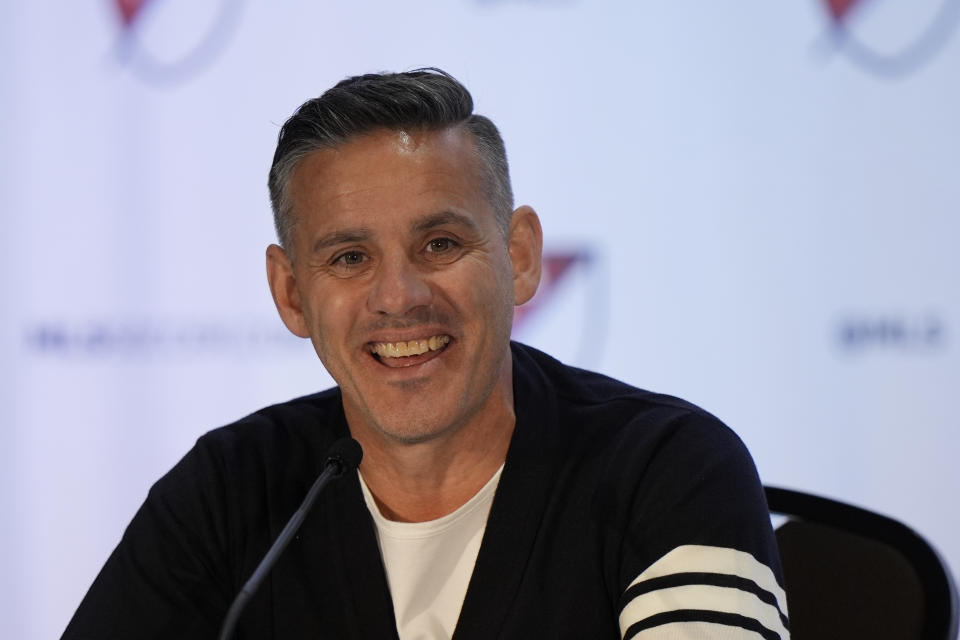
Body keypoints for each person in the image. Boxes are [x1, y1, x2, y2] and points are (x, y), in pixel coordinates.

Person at [62, 69, 789, 640]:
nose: (400, 296)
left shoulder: (670, 469)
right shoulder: (232, 490)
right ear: (290, 293)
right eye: (349, 257)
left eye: (440, 244)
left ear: (521, 256)